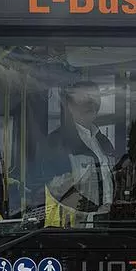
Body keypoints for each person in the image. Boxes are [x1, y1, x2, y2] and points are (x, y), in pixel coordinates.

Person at [41, 80, 119, 223]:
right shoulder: (57, 142)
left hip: (108, 224)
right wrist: (95, 212)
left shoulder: (103, 142)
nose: (91, 104)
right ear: (69, 106)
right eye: (84, 99)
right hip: (72, 228)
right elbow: (59, 189)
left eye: (95, 99)